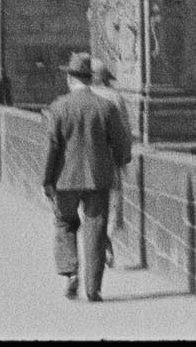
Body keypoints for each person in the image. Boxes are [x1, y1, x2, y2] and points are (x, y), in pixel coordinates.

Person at [42, 52, 133, 303]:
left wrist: (47, 180)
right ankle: (94, 289)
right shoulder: (107, 107)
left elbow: (52, 147)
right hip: (98, 178)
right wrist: (119, 161)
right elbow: (122, 144)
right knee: (96, 230)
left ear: (71, 78)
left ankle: (70, 272)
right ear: (90, 79)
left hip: (65, 179)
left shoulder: (58, 106)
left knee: (65, 222)